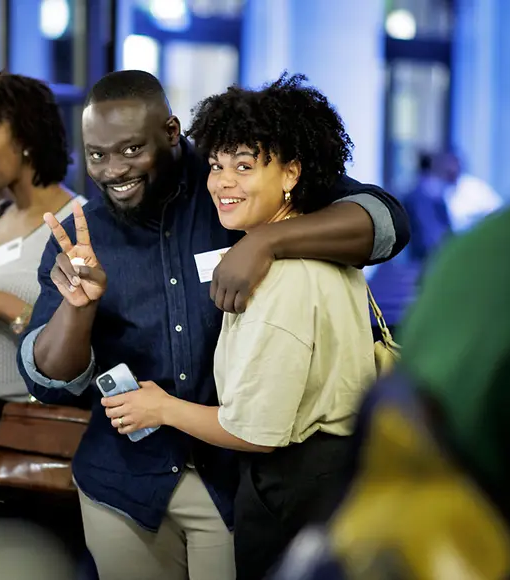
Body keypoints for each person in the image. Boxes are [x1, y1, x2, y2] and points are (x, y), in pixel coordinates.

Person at [17, 69, 410, 580]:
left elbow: (385, 220)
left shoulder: (240, 186)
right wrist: (78, 307)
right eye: (96, 155)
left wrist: (264, 242)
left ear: (172, 132)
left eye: (132, 149)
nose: (114, 170)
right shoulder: (80, 237)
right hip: (126, 485)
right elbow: (47, 382)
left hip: (236, 482)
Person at [100, 76, 377, 579]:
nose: (223, 182)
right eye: (215, 165)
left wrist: (160, 408)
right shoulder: (325, 250)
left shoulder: (278, 278)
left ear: (291, 172)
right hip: (338, 481)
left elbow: (254, 431)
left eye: (244, 166)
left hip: (291, 492)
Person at [270, 187, 510, 580]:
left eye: (242, 166)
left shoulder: (480, 250)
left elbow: (386, 217)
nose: (224, 180)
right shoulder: (494, 257)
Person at [0, 72, 82, 498]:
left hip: (28, 425)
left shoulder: (77, 222)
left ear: (25, 137)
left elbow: (83, 344)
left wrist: (4, 307)